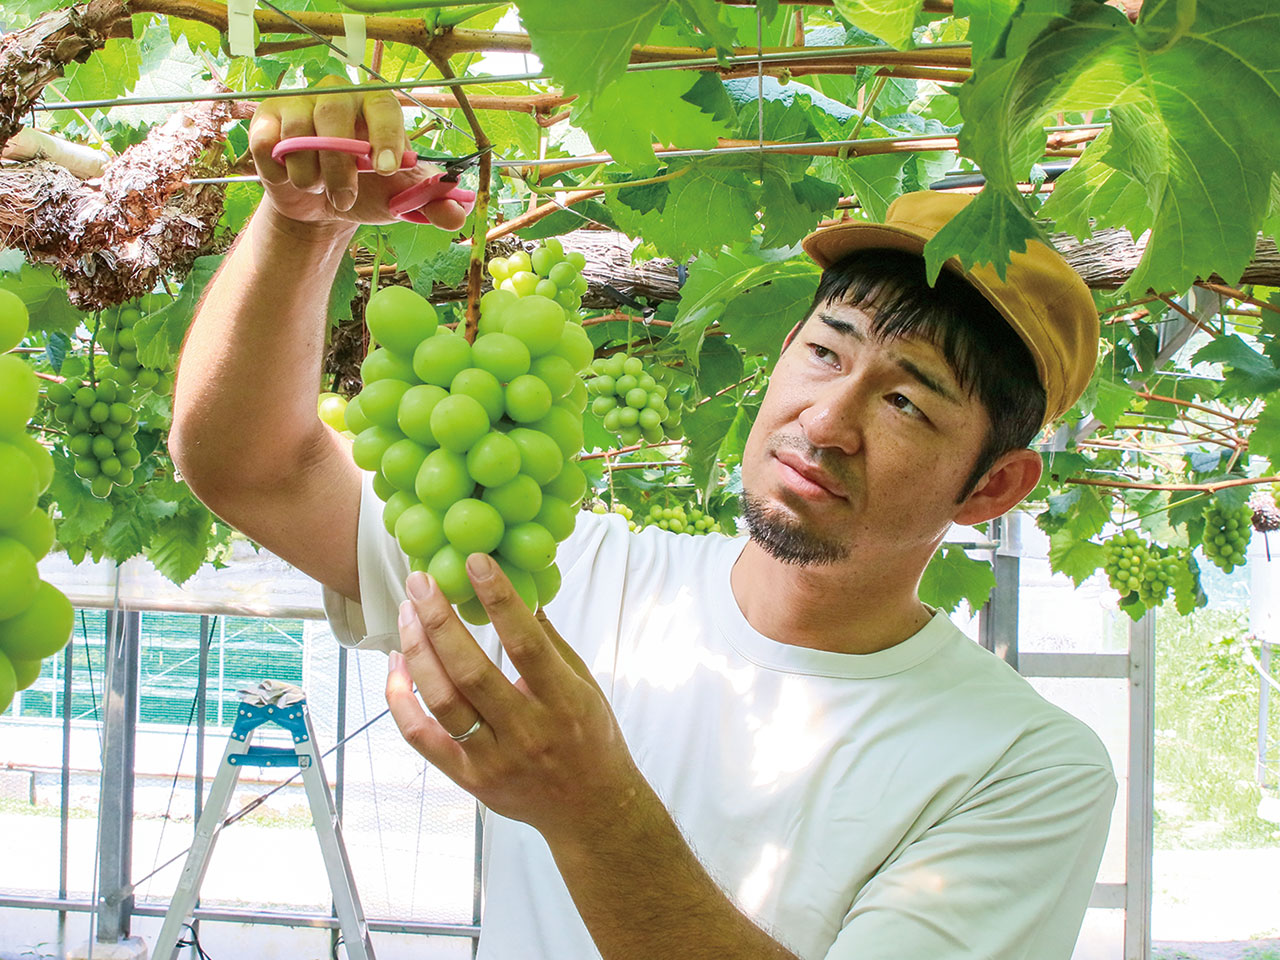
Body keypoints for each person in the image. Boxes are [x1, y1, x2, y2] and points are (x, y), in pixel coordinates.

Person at [170, 82, 1117, 960]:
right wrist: (303, 225)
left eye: (909, 404)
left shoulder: (1026, 770)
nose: (828, 422)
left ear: (993, 487)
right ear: (785, 353)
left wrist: (594, 811)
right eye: (828, 353)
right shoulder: (566, 577)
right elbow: (248, 466)